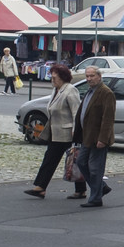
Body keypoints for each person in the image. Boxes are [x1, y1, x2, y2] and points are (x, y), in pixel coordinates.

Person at [23, 65, 85, 199]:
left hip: (67, 133)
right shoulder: (56, 90)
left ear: (62, 77)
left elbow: (76, 113)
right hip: (55, 132)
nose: (52, 79)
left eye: (54, 77)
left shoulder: (70, 90)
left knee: (73, 161)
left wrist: (76, 131)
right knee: (50, 160)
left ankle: (82, 190)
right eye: (51, 76)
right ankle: (41, 187)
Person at [73, 66, 116, 208]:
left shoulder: (106, 93)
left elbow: (108, 118)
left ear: (99, 76)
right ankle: (100, 187)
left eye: (92, 76)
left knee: (95, 168)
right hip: (87, 136)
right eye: (87, 76)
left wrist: (103, 139)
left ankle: (96, 198)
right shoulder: (89, 92)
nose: (89, 79)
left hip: (98, 137)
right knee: (81, 162)